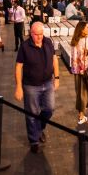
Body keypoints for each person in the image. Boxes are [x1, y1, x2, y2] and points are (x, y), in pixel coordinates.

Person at [14, 22, 60, 153]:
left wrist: (56, 78)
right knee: (31, 113)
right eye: (36, 34)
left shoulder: (48, 42)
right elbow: (18, 67)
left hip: (47, 82)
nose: (39, 37)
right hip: (31, 85)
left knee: (49, 109)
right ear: (31, 33)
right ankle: (34, 140)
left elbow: (54, 59)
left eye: (41, 34)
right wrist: (18, 87)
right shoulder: (24, 46)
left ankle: (39, 128)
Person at [70, 21, 88, 125]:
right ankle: (81, 115)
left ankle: (81, 114)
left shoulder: (74, 41)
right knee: (84, 93)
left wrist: (76, 70)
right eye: (87, 27)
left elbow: (73, 58)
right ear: (82, 30)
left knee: (79, 93)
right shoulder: (87, 41)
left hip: (77, 71)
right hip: (86, 71)